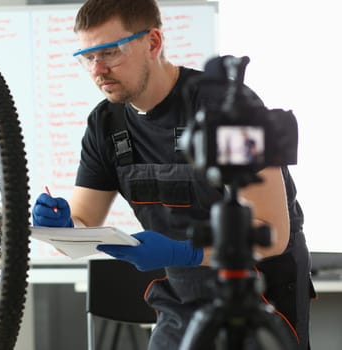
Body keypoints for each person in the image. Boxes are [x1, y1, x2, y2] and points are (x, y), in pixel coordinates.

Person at [32, 0, 314, 349]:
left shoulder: (223, 109)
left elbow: (271, 233)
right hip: (182, 296)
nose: (98, 69)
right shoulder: (106, 125)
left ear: (152, 42)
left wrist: (185, 252)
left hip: (258, 291)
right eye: (88, 57)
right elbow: (83, 221)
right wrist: (61, 229)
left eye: (110, 52)